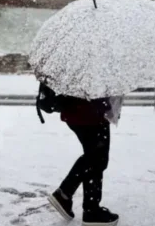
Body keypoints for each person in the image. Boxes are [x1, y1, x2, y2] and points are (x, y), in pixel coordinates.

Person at [47, 96, 120, 226]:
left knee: (94, 157)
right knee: (97, 158)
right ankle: (89, 209)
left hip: (79, 110)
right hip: (89, 112)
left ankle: (69, 197)